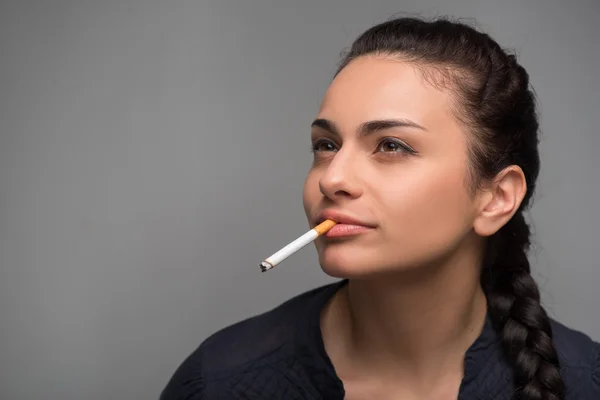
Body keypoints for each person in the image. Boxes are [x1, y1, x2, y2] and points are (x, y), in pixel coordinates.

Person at [160, 17, 600, 400]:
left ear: (497, 197)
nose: (332, 179)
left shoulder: (584, 382)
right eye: (326, 145)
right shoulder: (218, 382)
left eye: (391, 145)